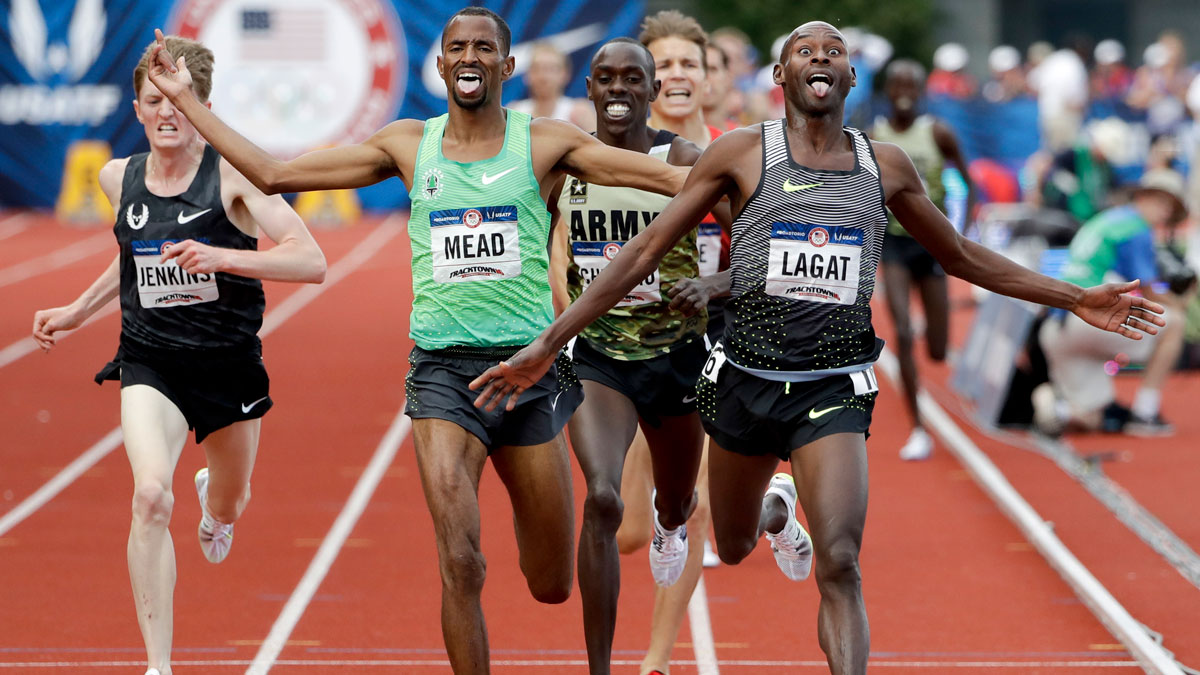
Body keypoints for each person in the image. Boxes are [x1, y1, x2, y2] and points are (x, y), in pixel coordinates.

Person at [470, 22, 1164, 674]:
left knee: (839, 560)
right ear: (781, 73)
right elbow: (645, 249)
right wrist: (549, 342)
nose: (821, 58)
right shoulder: (741, 152)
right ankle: (775, 506)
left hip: (833, 386)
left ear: (851, 75)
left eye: (833, 51)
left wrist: (1076, 297)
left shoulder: (884, 166)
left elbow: (960, 255)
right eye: (806, 50)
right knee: (734, 543)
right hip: (743, 381)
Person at [143, 8, 688, 673]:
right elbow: (271, 174)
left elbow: (670, 179)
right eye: (456, 47)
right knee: (460, 559)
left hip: (529, 372)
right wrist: (185, 99)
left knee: (551, 580)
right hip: (441, 375)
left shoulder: (544, 142)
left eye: (484, 48)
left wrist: (765, 178)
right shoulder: (407, 144)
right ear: (439, 65)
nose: (469, 57)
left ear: (505, 66)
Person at [31, 36, 327, 675]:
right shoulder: (119, 177)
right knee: (149, 497)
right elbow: (133, 256)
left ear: (201, 106)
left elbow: (311, 260)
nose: (166, 113)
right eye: (152, 101)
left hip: (227, 366)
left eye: (177, 100)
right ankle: (158, 666)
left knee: (229, 502)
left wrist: (224, 256)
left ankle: (215, 507)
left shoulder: (234, 178)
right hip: (150, 361)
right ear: (137, 109)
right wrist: (78, 311)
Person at [546, 37, 731, 675]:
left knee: (678, 501)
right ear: (590, 90)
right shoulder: (566, 162)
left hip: (677, 356)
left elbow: (761, 233)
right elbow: (544, 242)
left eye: (633, 78)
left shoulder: (685, 158)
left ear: (653, 92)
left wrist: (712, 284)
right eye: (606, 78)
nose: (619, 89)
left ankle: (671, 525)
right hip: (598, 357)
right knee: (601, 499)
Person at [611, 12, 729, 674]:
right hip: (634, 347)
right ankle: (770, 494)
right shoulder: (618, 162)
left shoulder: (741, 156)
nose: (680, 75)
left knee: (696, 503)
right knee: (630, 529)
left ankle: (654, 661)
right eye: (667, 65)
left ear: (709, 79)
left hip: (718, 343)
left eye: (692, 63)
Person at [871, 59, 977, 461]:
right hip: (895, 242)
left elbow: (970, 184)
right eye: (896, 83)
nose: (903, 90)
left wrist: (959, 234)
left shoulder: (938, 133)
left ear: (921, 91)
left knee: (936, 348)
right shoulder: (874, 137)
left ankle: (925, 331)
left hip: (932, 243)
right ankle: (918, 428)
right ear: (887, 89)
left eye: (911, 84)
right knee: (900, 330)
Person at [1035, 169, 1193, 436]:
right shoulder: (1136, 229)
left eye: (1171, 206)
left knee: (1090, 419)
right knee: (1174, 322)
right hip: (1087, 322)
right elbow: (1150, 290)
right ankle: (1145, 414)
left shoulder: (1110, 219)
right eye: (1162, 201)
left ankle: (1051, 403)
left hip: (1057, 327)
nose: (1166, 211)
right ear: (1143, 197)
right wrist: (1183, 302)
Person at [509, 42, 595, 131]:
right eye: (537, 69)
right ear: (527, 75)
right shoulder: (516, 113)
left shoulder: (578, 112)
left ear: (565, 74)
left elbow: (601, 144)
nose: (543, 77)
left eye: (551, 69)